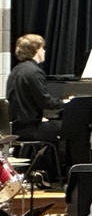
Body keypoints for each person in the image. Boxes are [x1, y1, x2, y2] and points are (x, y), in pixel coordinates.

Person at [7, 34, 65, 180]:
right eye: (42, 48)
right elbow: (46, 102)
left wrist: (39, 116)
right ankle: (65, 174)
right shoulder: (34, 71)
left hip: (18, 126)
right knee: (71, 127)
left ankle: (46, 172)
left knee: (57, 126)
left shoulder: (16, 70)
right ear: (36, 50)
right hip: (29, 129)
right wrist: (67, 103)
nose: (44, 51)